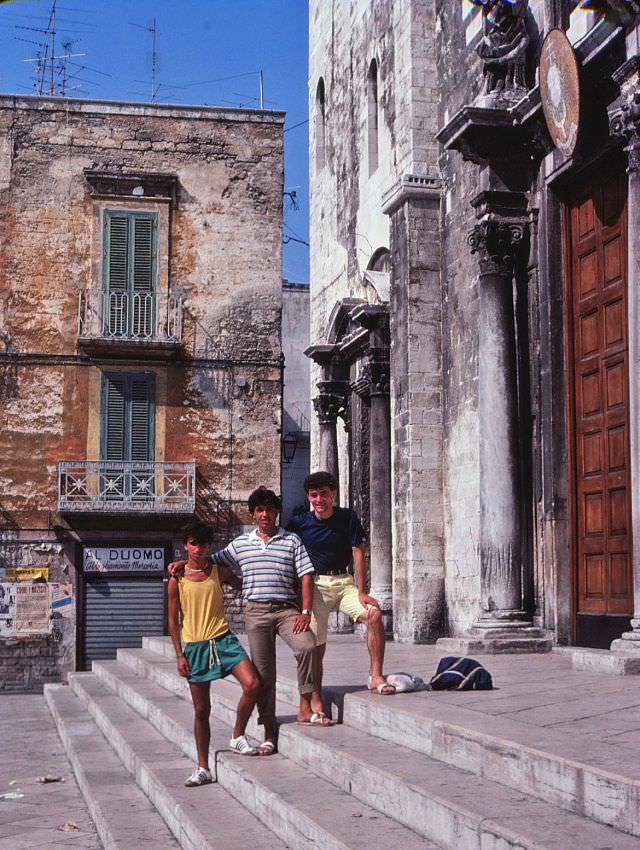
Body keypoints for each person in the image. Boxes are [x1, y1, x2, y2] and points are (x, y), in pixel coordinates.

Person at [171, 486, 333, 754]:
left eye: (270, 509)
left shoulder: (292, 540)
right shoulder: (241, 544)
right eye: (260, 510)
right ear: (253, 514)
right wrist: (181, 564)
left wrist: (305, 613)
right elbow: (208, 559)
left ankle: (305, 705)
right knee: (264, 674)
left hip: (286, 610)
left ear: (277, 513)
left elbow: (306, 576)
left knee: (307, 646)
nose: (265, 514)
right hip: (256, 613)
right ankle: (268, 730)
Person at [168, 521, 262, 788]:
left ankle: (237, 735)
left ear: (210, 546)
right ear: (186, 545)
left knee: (253, 684)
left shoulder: (218, 571)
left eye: (204, 544)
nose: (198, 549)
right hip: (195, 647)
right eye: (193, 543)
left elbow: (244, 585)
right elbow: (173, 621)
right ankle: (202, 767)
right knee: (202, 710)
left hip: (223, 640)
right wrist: (179, 655)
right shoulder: (177, 579)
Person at [287, 470, 396, 698]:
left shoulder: (347, 517)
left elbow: (358, 553)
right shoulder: (299, 524)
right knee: (317, 643)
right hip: (316, 586)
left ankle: (376, 675)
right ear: (309, 497)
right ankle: (315, 692)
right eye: (314, 495)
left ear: (333, 494)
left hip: (344, 583)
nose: (319, 500)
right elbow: (286, 552)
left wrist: (362, 591)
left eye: (324, 494)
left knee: (374, 615)